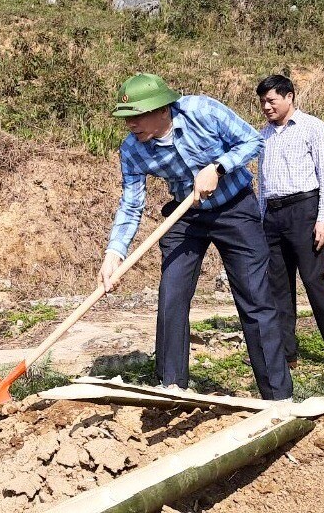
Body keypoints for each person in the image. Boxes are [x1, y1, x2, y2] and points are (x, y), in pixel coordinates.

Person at [100, 73, 292, 401]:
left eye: (137, 115)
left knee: (255, 298)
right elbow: (131, 204)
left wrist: (217, 168)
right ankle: (171, 387)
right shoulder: (132, 150)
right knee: (171, 295)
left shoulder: (202, 111)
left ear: (163, 109)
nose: (130, 124)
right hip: (185, 215)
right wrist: (114, 254)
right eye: (126, 117)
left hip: (235, 208)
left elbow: (253, 141)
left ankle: (278, 397)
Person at [257, 74, 324, 371]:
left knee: (314, 281)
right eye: (262, 102)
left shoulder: (313, 127)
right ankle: (286, 354)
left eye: (271, 100)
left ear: (289, 97)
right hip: (272, 215)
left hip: (304, 211)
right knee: (278, 287)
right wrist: (261, 218)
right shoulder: (263, 135)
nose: (266, 107)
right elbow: (262, 182)